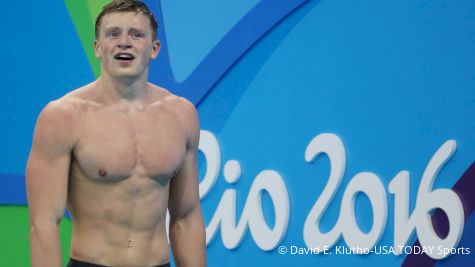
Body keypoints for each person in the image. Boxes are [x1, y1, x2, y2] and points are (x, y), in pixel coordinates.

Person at [25, 0, 206, 266]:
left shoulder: (182, 115)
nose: (124, 42)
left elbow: (186, 217)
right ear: (98, 48)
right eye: (113, 34)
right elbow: (43, 223)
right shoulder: (63, 117)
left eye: (136, 34)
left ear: (154, 49)